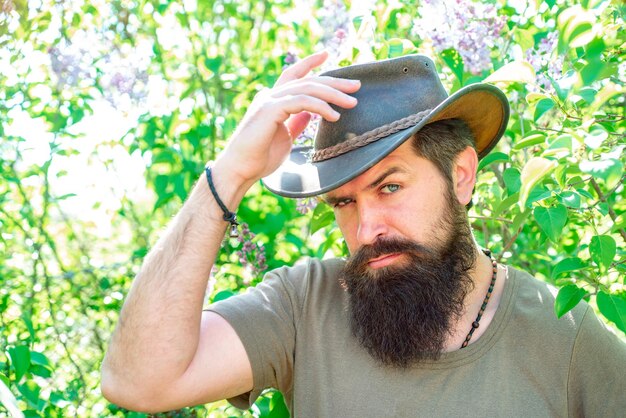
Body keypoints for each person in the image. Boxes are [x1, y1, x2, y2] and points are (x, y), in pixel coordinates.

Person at [101, 51, 626, 417]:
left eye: (390, 186)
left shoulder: (568, 336)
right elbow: (137, 381)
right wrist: (229, 175)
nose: (367, 228)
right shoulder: (303, 307)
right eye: (344, 202)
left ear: (460, 175)